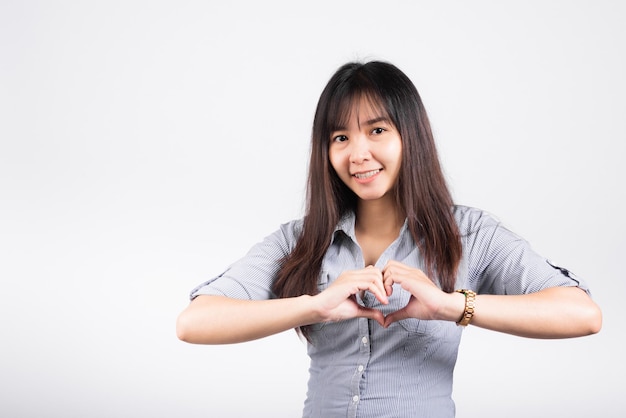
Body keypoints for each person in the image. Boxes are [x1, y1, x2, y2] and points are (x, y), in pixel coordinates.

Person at [176, 60, 602, 418]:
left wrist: (450, 306)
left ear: (409, 137)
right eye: (340, 137)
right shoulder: (302, 240)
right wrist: (315, 306)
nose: (358, 153)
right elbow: (194, 322)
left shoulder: (470, 234)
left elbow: (582, 315)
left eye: (377, 131)